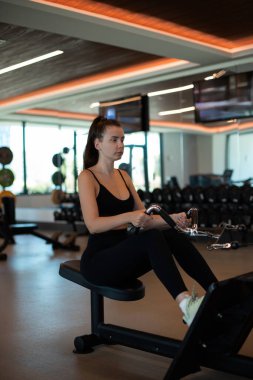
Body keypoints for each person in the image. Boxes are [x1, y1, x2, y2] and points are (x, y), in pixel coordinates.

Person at [78, 116, 218, 326]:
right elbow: (93, 225)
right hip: (99, 263)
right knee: (151, 238)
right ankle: (186, 305)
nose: (121, 145)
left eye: (122, 139)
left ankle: (216, 291)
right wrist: (129, 217)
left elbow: (144, 219)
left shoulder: (123, 176)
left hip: (125, 255)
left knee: (169, 233)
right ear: (97, 143)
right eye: (114, 140)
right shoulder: (87, 177)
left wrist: (173, 220)